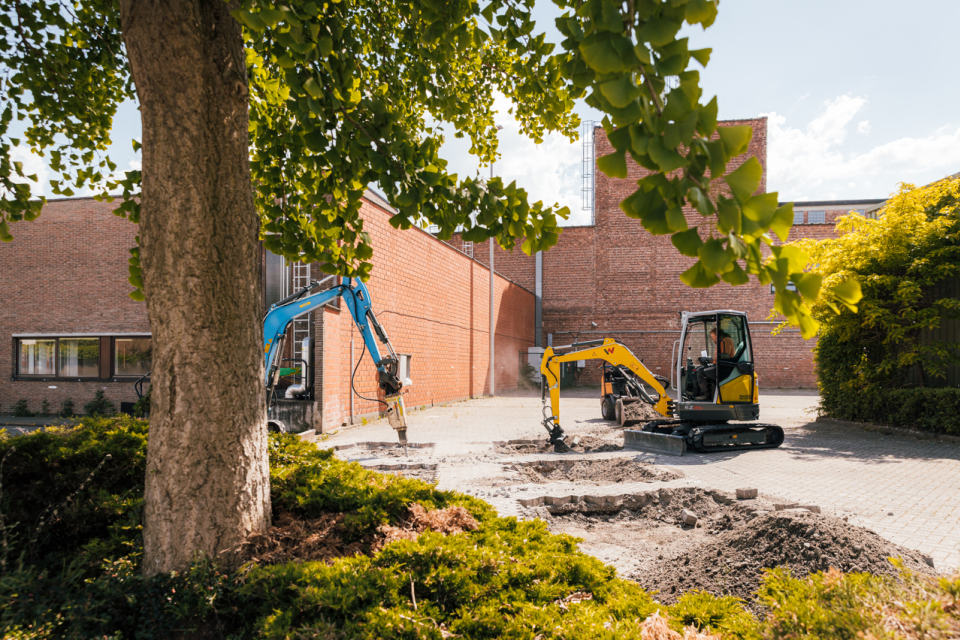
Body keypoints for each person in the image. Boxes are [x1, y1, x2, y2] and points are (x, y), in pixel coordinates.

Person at [693, 328, 734, 400]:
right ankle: (696, 393)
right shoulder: (721, 342)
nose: (712, 338)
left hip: (724, 367)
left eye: (712, 336)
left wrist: (710, 359)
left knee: (700, 371)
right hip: (719, 365)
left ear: (717, 335)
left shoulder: (726, 340)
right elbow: (718, 357)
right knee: (698, 369)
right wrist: (709, 359)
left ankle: (706, 395)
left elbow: (725, 356)